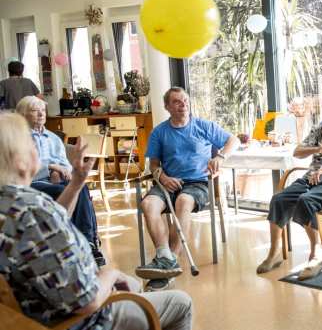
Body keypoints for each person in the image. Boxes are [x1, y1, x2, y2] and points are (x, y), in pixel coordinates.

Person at [0, 112, 193, 330]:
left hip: (33, 314)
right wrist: (110, 274)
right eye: (31, 144)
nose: (38, 150)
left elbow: (52, 224)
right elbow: (87, 301)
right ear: (20, 161)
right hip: (80, 320)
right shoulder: (33, 209)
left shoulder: (15, 206)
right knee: (181, 303)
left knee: (132, 285)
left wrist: (76, 182)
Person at [256, 85, 322, 280]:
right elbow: (297, 151)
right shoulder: (320, 128)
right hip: (310, 177)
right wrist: (315, 150)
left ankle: (316, 256)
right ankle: (274, 253)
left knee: (305, 201)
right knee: (278, 199)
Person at [135, 87, 237, 291]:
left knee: (183, 201)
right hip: (168, 182)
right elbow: (154, 165)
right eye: (177, 102)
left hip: (198, 183)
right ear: (167, 107)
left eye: (185, 100)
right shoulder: (159, 132)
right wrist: (163, 178)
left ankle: (171, 258)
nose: (183, 105)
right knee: (147, 204)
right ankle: (164, 256)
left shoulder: (203, 126)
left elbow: (232, 140)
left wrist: (220, 156)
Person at [15, 95, 105, 266]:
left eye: (43, 110)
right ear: (23, 115)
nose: (41, 114)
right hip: (34, 182)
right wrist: (51, 168)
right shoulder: (20, 139)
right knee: (64, 191)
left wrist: (63, 171)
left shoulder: (53, 138)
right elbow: (23, 168)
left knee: (81, 188)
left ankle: (89, 243)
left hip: (57, 180)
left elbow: (64, 163)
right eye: (35, 111)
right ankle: (72, 243)